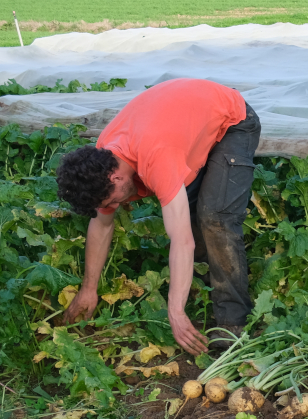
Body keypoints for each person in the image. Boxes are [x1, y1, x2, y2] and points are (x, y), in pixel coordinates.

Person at [55, 78, 261, 355]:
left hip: (232, 121)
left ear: (115, 178)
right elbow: (101, 225)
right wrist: (88, 289)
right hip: (184, 124)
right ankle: (204, 292)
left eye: (112, 200)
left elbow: (181, 241)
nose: (116, 205)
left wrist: (173, 311)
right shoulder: (103, 160)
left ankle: (233, 322)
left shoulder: (156, 156)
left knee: (215, 219)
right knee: (189, 214)